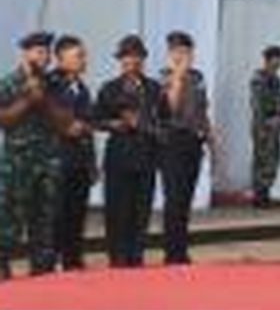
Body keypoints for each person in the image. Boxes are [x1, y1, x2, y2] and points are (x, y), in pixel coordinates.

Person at [95, 34, 161, 268]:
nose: (131, 61)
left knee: (141, 210)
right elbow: (96, 120)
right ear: (120, 60)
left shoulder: (154, 88)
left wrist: (145, 124)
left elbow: (164, 120)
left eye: (135, 56)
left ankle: (136, 256)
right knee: (117, 209)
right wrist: (114, 124)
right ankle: (117, 257)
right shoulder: (109, 88)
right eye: (126, 57)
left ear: (143, 59)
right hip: (119, 158)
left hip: (146, 156)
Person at [0, 32, 62, 279]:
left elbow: (62, 122)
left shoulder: (53, 84)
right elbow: (3, 120)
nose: (44, 57)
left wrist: (43, 100)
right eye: (38, 52)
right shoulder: (9, 83)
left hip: (48, 161)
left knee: (45, 217)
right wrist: (27, 99)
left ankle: (42, 267)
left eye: (47, 52)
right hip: (17, 160)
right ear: (26, 53)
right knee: (10, 216)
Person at [159, 31, 211, 265]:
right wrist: (178, 76)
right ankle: (172, 252)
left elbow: (202, 110)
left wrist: (211, 140)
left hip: (194, 141)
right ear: (170, 54)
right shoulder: (165, 78)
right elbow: (170, 107)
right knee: (174, 197)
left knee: (186, 198)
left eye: (187, 51)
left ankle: (182, 249)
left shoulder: (198, 77)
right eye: (178, 51)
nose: (183, 56)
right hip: (173, 141)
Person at [46, 35, 96, 271]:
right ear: (61, 59)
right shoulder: (50, 85)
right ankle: (52, 258)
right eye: (78, 56)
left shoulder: (83, 89)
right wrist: (67, 127)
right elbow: (45, 117)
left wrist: (92, 164)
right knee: (57, 213)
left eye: (84, 55)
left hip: (79, 161)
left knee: (77, 213)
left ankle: (72, 259)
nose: (84, 60)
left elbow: (88, 128)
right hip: (57, 158)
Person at [250, 46, 280, 209]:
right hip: (264, 126)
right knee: (263, 158)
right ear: (268, 59)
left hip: (275, 125)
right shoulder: (259, 79)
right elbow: (257, 104)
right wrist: (267, 121)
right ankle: (260, 196)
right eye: (277, 58)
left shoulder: (276, 79)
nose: (279, 62)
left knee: (273, 158)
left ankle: (265, 192)